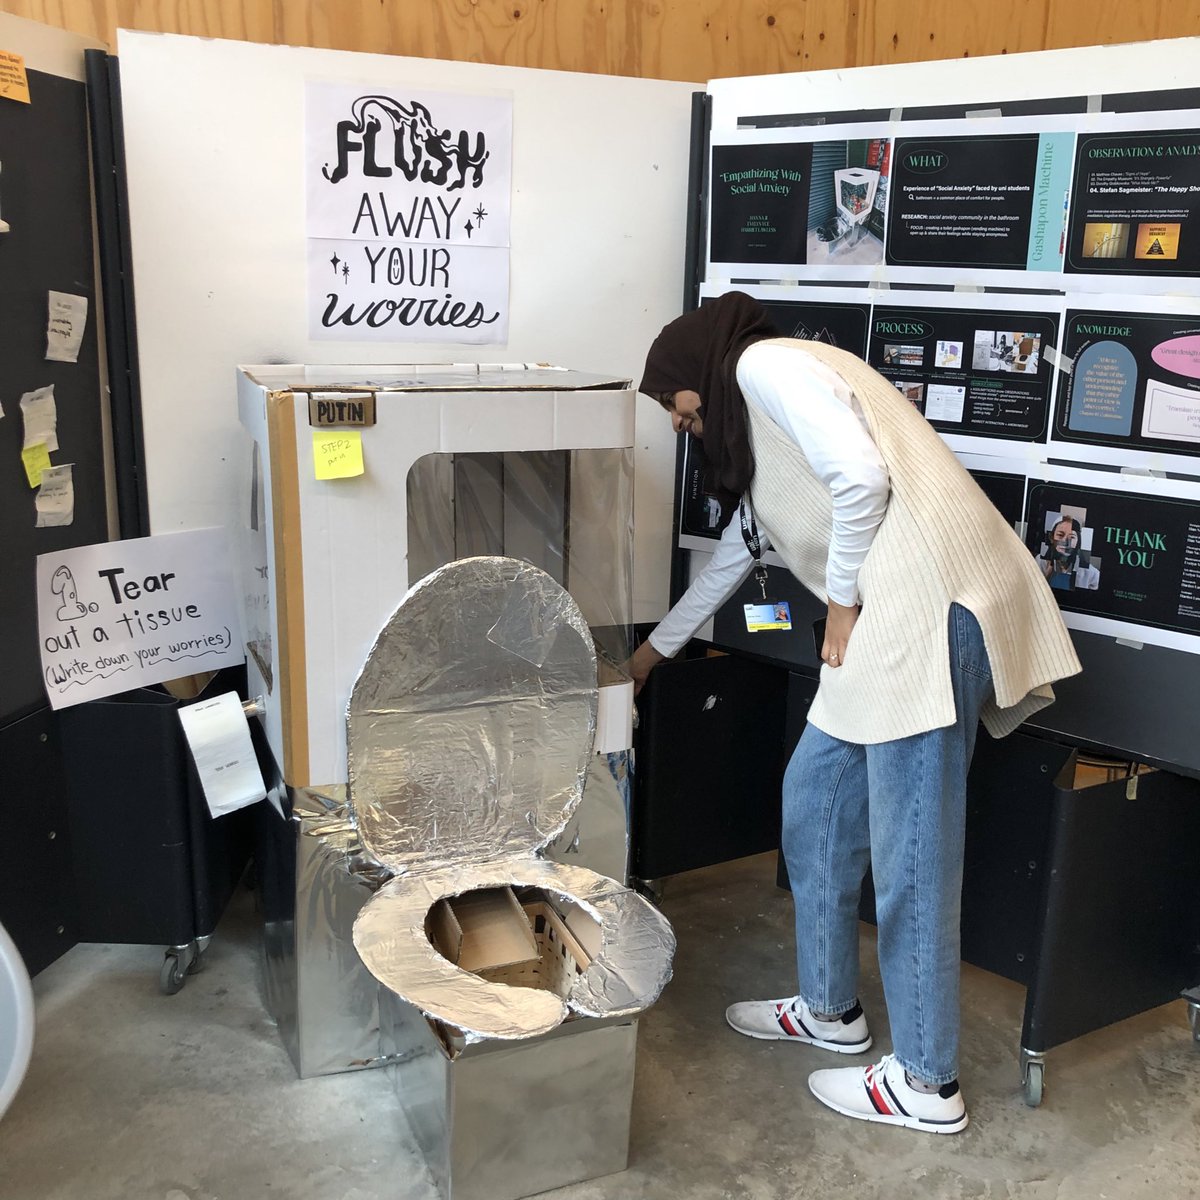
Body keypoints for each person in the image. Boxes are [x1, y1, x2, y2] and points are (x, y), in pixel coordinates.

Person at [628, 292, 1081, 1134]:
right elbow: (738, 557)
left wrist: (838, 602)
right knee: (816, 808)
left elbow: (861, 477)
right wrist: (651, 655)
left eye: (677, 409)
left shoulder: (762, 365)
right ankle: (832, 1010)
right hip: (888, 622)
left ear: (696, 369)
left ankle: (925, 1081)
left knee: (914, 855)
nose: (682, 428)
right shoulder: (759, 423)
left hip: (922, 613)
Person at [1040, 515, 1100, 592]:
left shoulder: (1091, 574)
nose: (1065, 541)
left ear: (1078, 541)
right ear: (1051, 538)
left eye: (1071, 537)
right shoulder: (1039, 562)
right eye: (1060, 535)